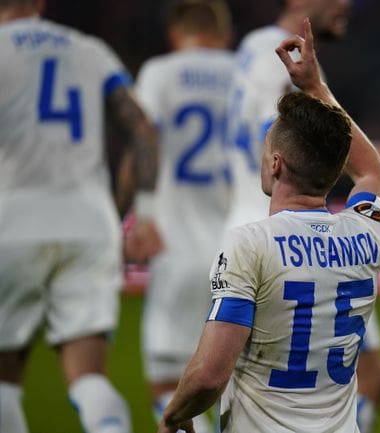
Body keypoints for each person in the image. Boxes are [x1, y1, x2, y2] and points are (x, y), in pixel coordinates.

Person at [157, 18, 380, 433]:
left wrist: (174, 414)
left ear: (275, 163)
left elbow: (211, 376)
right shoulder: (366, 233)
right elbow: (372, 172)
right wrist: (316, 88)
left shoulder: (250, 244)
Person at [224, 1, 380, 431]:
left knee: (247, 384)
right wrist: (318, 92)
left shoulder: (252, 47)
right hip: (291, 233)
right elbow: (286, 144)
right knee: (369, 378)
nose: (348, 5)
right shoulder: (281, 57)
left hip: (249, 233)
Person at [0, 1, 160, 432]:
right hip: (88, 221)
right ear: (39, 3)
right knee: (89, 377)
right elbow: (142, 127)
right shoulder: (88, 49)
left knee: (4, 385)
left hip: (12, 221)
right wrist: (140, 214)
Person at [124, 1, 234, 431]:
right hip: (243, 248)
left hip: (177, 246)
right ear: (225, 35)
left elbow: (142, 140)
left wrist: (141, 217)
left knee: (170, 387)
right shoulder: (245, 68)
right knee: (242, 385)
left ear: (175, 35)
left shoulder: (159, 73)